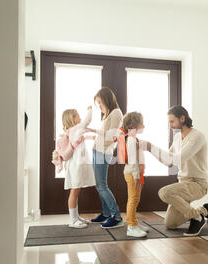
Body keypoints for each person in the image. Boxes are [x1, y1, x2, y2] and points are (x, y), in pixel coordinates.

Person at [141, 106, 208, 236]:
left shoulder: (197, 137)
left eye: (172, 121)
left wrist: (151, 145)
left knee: (163, 192)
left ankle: (197, 218)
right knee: (170, 224)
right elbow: (169, 162)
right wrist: (149, 149)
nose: (170, 126)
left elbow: (176, 159)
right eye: (169, 122)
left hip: (197, 184)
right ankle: (204, 211)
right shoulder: (177, 138)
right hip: (183, 184)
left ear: (182, 118)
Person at [86, 87, 124, 229]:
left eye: (100, 103)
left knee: (102, 186)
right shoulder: (109, 114)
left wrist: (101, 140)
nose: (99, 107)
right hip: (98, 150)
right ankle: (107, 213)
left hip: (103, 152)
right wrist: (92, 131)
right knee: (99, 185)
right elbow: (104, 133)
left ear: (107, 100)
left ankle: (117, 216)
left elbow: (112, 136)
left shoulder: (116, 113)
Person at [61, 106, 96, 229]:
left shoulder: (73, 130)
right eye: (77, 115)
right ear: (72, 119)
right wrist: (90, 110)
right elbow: (87, 120)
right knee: (74, 191)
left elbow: (81, 136)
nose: (80, 117)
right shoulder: (76, 128)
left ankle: (75, 217)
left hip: (76, 164)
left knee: (76, 190)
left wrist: (90, 136)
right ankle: (72, 219)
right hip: (76, 165)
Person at [116, 112, 150, 238]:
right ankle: (131, 226)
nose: (144, 125)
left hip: (136, 173)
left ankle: (134, 223)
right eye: (142, 122)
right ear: (135, 125)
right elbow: (132, 160)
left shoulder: (133, 138)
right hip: (132, 174)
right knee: (133, 199)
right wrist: (136, 175)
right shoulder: (130, 139)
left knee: (136, 199)